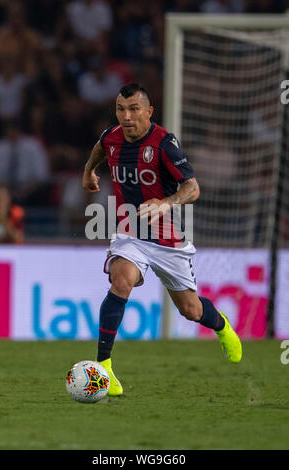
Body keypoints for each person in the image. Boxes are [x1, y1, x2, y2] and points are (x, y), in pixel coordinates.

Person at [82, 83, 242, 396]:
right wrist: (89, 171)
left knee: (191, 310)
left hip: (170, 239)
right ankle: (104, 368)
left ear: (149, 111)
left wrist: (166, 202)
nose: (126, 117)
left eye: (134, 109)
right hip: (131, 232)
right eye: (120, 109)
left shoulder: (165, 143)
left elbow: (192, 188)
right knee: (121, 281)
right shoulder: (111, 136)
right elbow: (101, 147)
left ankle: (221, 326)